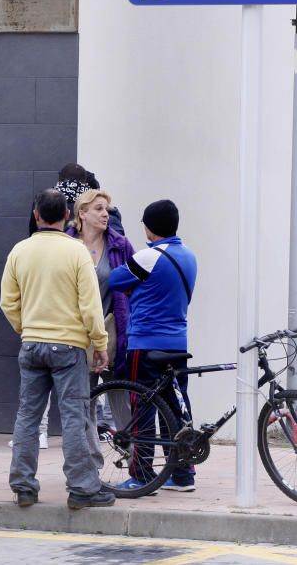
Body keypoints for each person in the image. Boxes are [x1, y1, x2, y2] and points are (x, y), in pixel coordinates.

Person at [1, 188, 115, 510]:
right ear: (67, 215)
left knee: (27, 416)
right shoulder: (77, 252)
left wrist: (26, 329)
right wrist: (100, 344)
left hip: (33, 345)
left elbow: (8, 302)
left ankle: (23, 486)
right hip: (69, 347)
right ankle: (82, 488)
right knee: (74, 417)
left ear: (36, 215)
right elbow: (91, 307)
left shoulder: (19, 251)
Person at [108, 199, 198, 493]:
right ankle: (183, 474)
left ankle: (143, 474)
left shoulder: (148, 257)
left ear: (149, 227)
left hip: (145, 343)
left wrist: (138, 288)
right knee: (174, 405)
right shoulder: (189, 257)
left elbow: (115, 280)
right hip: (177, 341)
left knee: (142, 407)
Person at [66, 189, 136, 437]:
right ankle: (89, 466)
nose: (105, 214)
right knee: (83, 403)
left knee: (121, 402)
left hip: (113, 333)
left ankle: (135, 463)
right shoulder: (67, 245)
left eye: (106, 209)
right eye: (98, 209)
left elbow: (135, 286)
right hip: (78, 335)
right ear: (81, 213)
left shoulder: (120, 245)